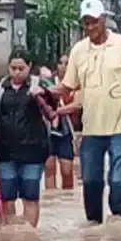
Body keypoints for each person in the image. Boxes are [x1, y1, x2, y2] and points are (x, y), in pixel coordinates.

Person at [35, 0, 121, 224]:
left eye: (94, 22)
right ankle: (94, 228)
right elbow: (67, 85)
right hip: (91, 128)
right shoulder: (78, 51)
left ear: (104, 20)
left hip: (120, 127)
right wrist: (40, 92)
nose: (90, 28)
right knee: (92, 181)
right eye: (86, 23)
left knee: (119, 181)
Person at [0, 49, 54, 227]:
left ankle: (29, 235)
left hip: (33, 153)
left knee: (30, 196)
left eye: (21, 68)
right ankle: (10, 235)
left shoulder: (40, 86)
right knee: (7, 198)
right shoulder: (0, 90)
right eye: (13, 68)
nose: (17, 72)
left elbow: (53, 109)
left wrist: (43, 95)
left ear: (29, 67)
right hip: (5, 153)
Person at [43, 55, 76, 190]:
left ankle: (67, 201)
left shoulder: (77, 83)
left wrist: (58, 111)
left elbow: (78, 105)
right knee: (49, 168)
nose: (64, 66)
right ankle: (52, 202)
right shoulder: (48, 83)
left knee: (67, 170)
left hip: (68, 131)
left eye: (67, 63)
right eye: (61, 63)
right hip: (48, 131)